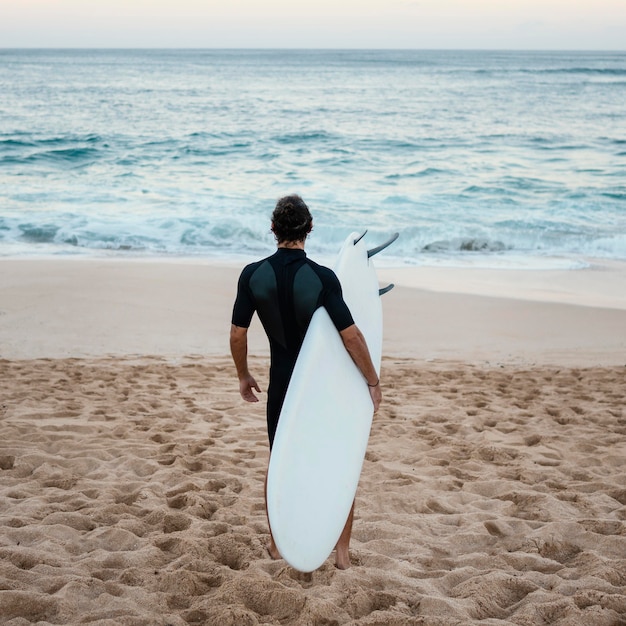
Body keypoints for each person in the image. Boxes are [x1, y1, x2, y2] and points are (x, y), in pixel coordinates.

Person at [230, 194, 381, 569]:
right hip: (321, 387)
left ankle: (277, 544)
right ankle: (342, 554)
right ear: (309, 229)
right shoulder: (323, 278)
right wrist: (372, 381)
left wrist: (243, 374)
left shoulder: (252, 275)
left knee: (280, 463)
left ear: (272, 229)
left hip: (282, 386)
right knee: (336, 464)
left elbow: (237, 334)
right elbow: (351, 337)